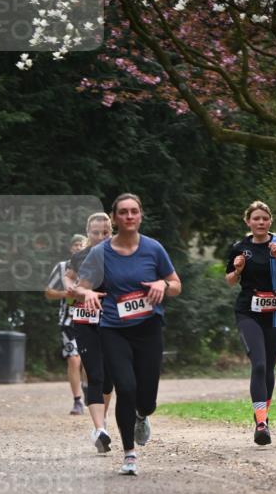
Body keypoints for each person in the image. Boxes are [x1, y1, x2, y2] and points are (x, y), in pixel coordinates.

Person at [76, 193, 181, 476]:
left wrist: (162, 284)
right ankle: (129, 454)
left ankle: (141, 415)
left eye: (134, 211)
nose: (129, 216)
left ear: (140, 215)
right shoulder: (100, 253)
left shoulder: (154, 248)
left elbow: (176, 285)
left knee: (146, 397)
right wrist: (87, 293)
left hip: (148, 329)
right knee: (126, 388)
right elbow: (80, 286)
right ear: (114, 218)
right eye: (123, 212)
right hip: (114, 330)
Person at [226, 201, 276, 446]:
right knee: (258, 364)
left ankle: (262, 416)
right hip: (248, 311)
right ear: (247, 221)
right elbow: (229, 280)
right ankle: (261, 423)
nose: (260, 222)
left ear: (270, 221)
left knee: (268, 368)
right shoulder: (240, 247)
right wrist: (237, 270)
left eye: (264, 219)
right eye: (256, 218)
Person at [67, 212, 114, 453]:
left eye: (105, 233)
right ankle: (99, 429)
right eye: (95, 233)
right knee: (94, 374)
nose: (100, 237)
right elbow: (68, 280)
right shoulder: (80, 257)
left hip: (114, 322)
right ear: (88, 233)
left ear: (111, 232)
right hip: (85, 321)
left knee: (109, 379)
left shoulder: (120, 255)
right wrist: (77, 290)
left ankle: (102, 421)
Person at [45, 233, 86, 414]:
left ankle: (87, 389)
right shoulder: (62, 267)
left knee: (89, 361)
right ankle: (77, 401)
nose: (78, 247)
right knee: (73, 359)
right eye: (75, 245)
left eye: (82, 245)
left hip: (90, 319)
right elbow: (48, 292)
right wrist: (65, 294)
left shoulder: (94, 266)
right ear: (71, 248)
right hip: (68, 320)